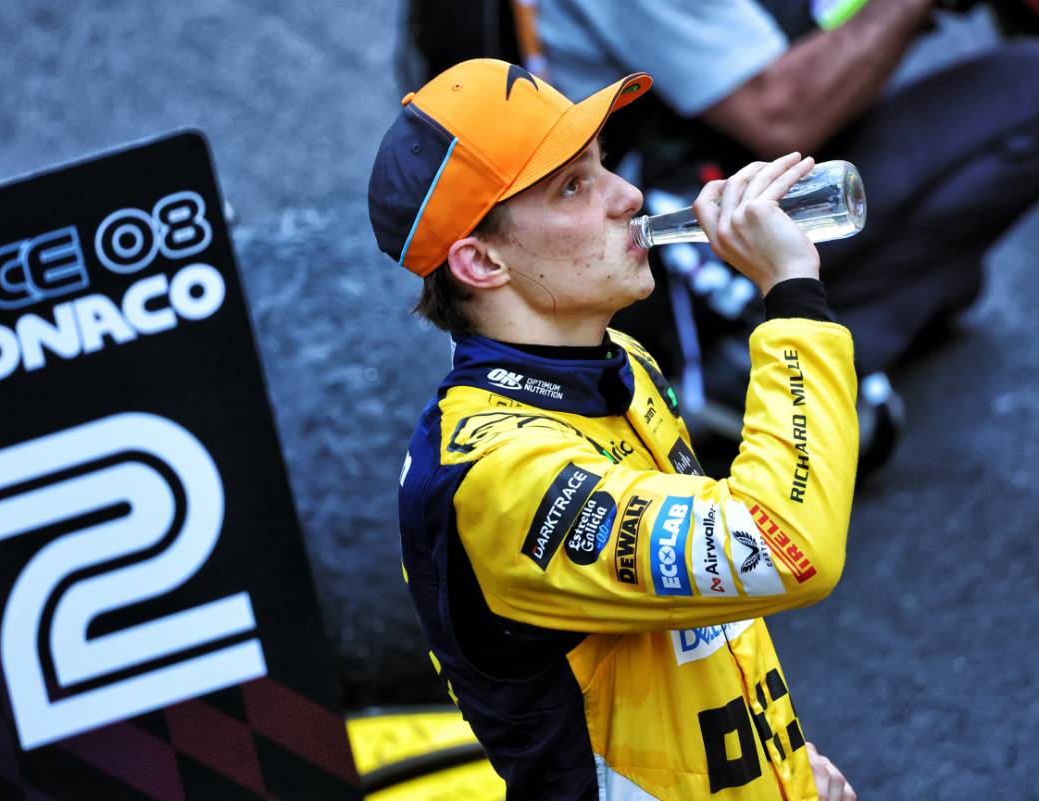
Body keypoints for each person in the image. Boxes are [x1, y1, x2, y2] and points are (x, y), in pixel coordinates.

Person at [368, 58, 859, 800]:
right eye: (573, 185)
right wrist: (791, 298)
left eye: (601, 165)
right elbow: (784, 546)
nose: (627, 195)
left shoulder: (617, 360)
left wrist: (780, 774)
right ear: (481, 260)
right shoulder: (498, 474)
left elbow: (695, 614)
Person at [536, 0, 1039, 381]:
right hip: (682, 240)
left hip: (745, 165)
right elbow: (781, 113)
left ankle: (852, 320)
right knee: (1027, 88)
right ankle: (760, 360)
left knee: (950, 275)